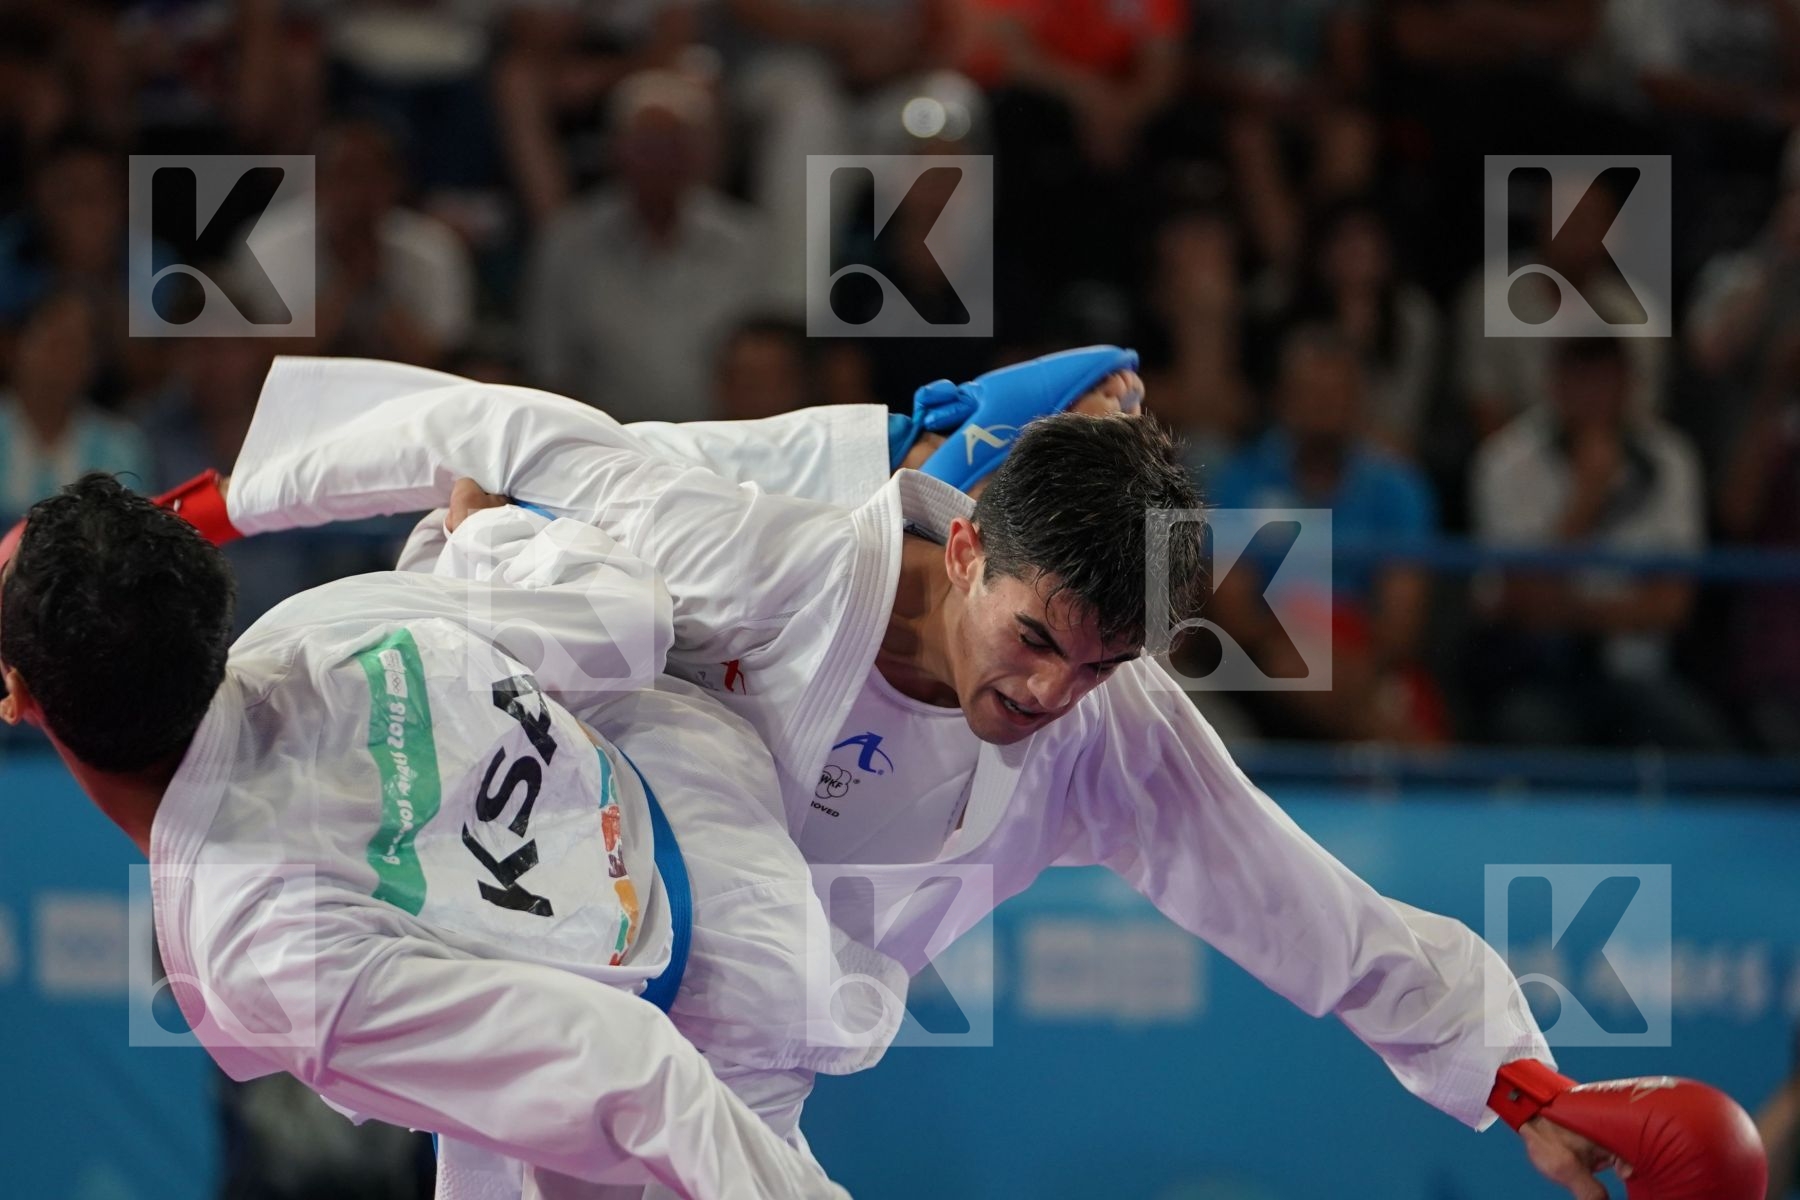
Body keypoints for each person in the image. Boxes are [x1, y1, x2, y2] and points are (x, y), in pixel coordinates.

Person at [185, 347, 1768, 1198]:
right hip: (555, 978)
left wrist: (1520, 1085)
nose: (1049, 693)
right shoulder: (754, 550)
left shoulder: (1111, 729)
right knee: (506, 554)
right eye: (1035, 638)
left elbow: (1315, 911)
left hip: (739, 1101)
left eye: (1099, 664)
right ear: (963, 540)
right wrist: (205, 515)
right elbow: (491, 419)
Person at [0, 474, 902, 1200]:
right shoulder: (312, 632)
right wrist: (495, 537)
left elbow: (633, 1070)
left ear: (18, 696)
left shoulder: (255, 940)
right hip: (708, 790)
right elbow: (628, 622)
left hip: (693, 1013)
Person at [1469, 335, 1733, 750]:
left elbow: (1673, 605)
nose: (1592, 395)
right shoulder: (1506, 461)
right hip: (1540, 673)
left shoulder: (1671, 457)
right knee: (1529, 731)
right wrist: (1586, 500)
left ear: (1629, 384)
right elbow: (1520, 600)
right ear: (1554, 383)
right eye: (1579, 378)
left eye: (1604, 379)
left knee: (1704, 746)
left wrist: (1566, 610)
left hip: (1640, 671)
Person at [1208, 326, 1444, 743]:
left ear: (1360, 402)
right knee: (1294, 667)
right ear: (1282, 399)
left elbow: (1401, 621)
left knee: (1398, 704)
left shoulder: (1397, 487)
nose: (1324, 406)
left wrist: (1347, 666)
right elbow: (1234, 612)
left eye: (1337, 393)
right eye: (1311, 392)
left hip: (1365, 658)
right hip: (1268, 657)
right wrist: (1304, 650)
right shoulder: (1240, 479)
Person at [522, 68, 772, 423]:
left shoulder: (748, 240)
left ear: (701, 152)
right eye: (646, 144)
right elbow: (549, 370)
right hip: (607, 453)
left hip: (723, 444)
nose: (660, 159)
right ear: (615, 149)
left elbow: (769, 369)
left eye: (676, 143)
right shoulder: (568, 241)